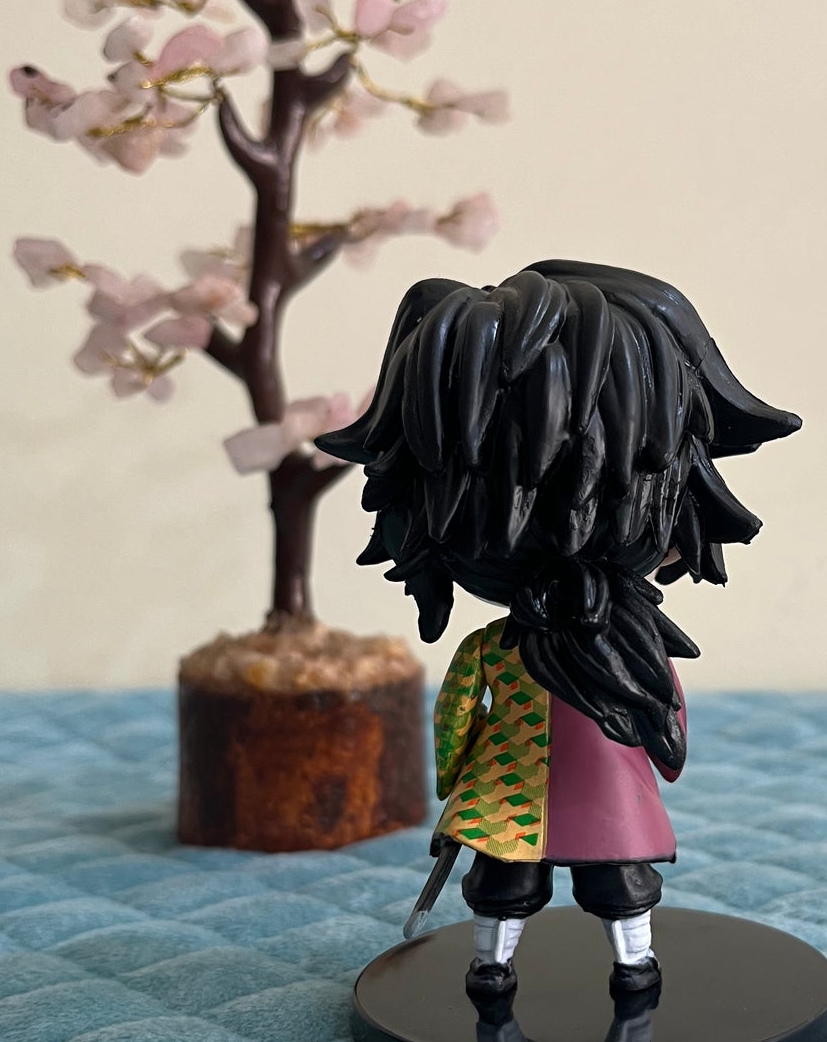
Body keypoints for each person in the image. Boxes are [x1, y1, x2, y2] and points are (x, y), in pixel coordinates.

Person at [317, 260, 800, 996]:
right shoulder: (622, 654)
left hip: (512, 793)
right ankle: (599, 960)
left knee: (554, 877)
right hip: (587, 791)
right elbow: (667, 720)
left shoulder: (526, 649)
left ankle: (520, 960)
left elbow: (455, 721)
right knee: (589, 876)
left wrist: (456, 779)